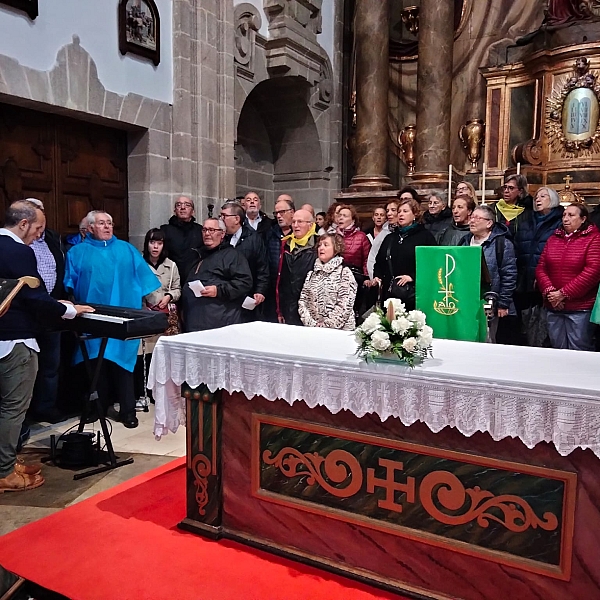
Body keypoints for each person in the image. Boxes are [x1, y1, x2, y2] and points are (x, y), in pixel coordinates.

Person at [0, 200, 92, 493]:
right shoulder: (18, 251)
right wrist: (69, 310)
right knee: (13, 408)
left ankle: (6, 460)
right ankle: (4, 472)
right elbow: (33, 297)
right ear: (23, 223)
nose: (40, 235)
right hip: (15, 339)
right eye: (38, 228)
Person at [64, 210, 161, 429]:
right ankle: (96, 408)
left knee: (123, 364)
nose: (107, 227)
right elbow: (69, 284)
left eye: (110, 223)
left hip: (124, 315)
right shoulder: (77, 252)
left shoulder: (127, 249)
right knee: (96, 364)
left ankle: (127, 411)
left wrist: (156, 302)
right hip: (91, 315)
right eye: (101, 223)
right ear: (90, 228)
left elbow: (146, 280)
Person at [23, 199, 68, 424]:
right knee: (25, 366)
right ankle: (25, 410)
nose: (40, 226)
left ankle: (46, 406)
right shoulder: (17, 243)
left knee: (51, 365)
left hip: (52, 310)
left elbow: (58, 267)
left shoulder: (53, 238)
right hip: (27, 311)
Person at [536, 203, 600, 351]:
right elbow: (541, 267)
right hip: (554, 306)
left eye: (571, 215)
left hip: (580, 307)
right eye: (564, 215)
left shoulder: (594, 239)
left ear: (583, 219)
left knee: (579, 349)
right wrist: (551, 292)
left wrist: (563, 294)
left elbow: (593, 270)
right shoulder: (554, 238)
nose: (566, 219)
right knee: (557, 349)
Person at [459, 205, 518, 344]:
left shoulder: (502, 244)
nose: (472, 221)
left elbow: (509, 275)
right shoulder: (464, 242)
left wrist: (503, 303)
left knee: (488, 340)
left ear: (489, 223)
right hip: (467, 301)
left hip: (490, 302)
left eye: (477, 218)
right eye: (471, 217)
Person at [513, 187, 564, 346]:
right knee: (525, 324)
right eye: (536, 197)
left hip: (547, 281)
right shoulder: (526, 222)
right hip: (524, 279)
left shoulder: (560, 222)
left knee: (544, 327)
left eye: (543, 196)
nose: (538, 199)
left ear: (554, 200)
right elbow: (518, 248)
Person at [135, 228, 182, 400]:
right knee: (143, 355)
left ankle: (159, 391)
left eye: (159, 243)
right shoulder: (139, 264)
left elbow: (178, 288)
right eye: (152, 242)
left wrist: (169, 296)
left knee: (161, 354)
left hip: (164, 316)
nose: (155, 247)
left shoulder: (171, 265)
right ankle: (142, 392)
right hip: (144, 314)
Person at [182, 219, 253, 332]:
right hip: (194, 320)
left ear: (222, 233)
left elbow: (244, 282)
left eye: (212, 230)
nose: (207, 233)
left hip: (219, 321)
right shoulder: (197, 254)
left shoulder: (232, 255)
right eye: (204, 230)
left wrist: (218, 290)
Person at [373, 197, 437, 311]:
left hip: (413, 294)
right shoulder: (390, 238)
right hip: (390, 293)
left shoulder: (425, 236)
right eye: (399, 212)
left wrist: (412, 277)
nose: (401, 214)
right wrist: (377, 277)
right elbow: (379, 262)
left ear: (415, 215)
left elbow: (433, 264)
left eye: (405, 211)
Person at [220, 202, 270, 320]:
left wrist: (260, 290)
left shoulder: (253, 239)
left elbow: (262, 267)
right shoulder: (221, 238)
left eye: (224, 216)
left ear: (236, 219)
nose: (221, 220)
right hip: (224, 296)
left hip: (246, 296)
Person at [298, 233, 357, 331]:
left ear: (336, 249)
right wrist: (311, 324)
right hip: (313, 330)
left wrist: (326, 326)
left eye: (326, 245)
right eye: (320, 245)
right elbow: (303, 302)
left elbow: (345, 305)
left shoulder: (344, 273)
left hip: (339, 332)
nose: (321, 248)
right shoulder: (311, 274)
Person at [276, 209, 319, 325]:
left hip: (311, 307)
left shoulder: (319, 245)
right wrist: (280, 310)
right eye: (293, 222)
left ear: (310, 225)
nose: (295, 225)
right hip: (289, 305)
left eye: (300, 222)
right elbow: (281, 279)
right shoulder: (286, 244)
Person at [265, 195, 296, 321]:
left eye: (282, 212)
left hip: (292, 292)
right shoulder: (270, 234)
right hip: (273, 290)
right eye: (276, 213)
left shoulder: (301, 236)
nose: (278, 216)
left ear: (292, 212)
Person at [159, 196, 204, 283]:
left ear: (193, 211)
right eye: (179, 205)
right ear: (175, 210)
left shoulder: (200, 230)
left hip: (194, 278)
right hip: (170, 279)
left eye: (187, 205)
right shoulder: (165, 230)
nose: (182, 207)